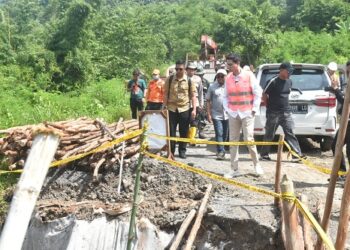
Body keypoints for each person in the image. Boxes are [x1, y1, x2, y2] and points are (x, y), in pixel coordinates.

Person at [223, 53, 263, 177]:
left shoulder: (248, 75)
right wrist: (228, 110)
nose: (228, 67)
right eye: (227, 64)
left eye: (230, 64)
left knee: (248, 139)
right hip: (233, 113)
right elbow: (225, 96)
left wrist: (254, 109)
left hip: (247, 112)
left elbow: (258, 92)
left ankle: (257, 165)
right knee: (233, 141)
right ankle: (234, 169)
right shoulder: (228, 77)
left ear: (237, 63)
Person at [260, 62, 306, 161]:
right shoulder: (273, 81)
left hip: (286, 112)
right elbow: (264, 95)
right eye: (288, 71)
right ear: (281, 70)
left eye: (291, 71)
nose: (290, 73)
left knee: (290, 133)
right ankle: (264, 155)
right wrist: (269, 107)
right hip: (273, 113)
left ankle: (297, 155)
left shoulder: (289, 81)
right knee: (269, 134)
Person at [163, 60, 197, 159]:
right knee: (171, 132)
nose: (178, 71)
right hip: (171, 109)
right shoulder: (169, 79)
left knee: (184, 131)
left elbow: (193, 96)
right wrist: (163, 106)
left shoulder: (189, 81)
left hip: (184, 109)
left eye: (180, 69)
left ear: (184, 70)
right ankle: (171, 152)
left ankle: (182, 151)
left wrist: (194, 109)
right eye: (176, 69)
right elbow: (165, 94)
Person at [325, 85, 349, 180]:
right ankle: (342, 173)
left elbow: (346, 100)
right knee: (336, 146)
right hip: (346, 122)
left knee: (349, 151)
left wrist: (337, 91)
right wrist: (334, 90)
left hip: (348, 122)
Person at [206, 69, 229, 160]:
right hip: (216, 115)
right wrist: (208, 114)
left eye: (222, 76)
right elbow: (208, 100)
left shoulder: (230, 86)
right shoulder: (212, 87)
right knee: (219, 133)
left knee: (225, 134)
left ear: (225, 77)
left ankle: (222, 147)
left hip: (228, 114)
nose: (220, 78)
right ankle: (221, 151)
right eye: (218, 76)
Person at [195, 65, 209, 139]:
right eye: (198, 74)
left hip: (203, 103)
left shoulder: (206, 82)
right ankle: (192, 135)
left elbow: (209, 93)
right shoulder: (191, 81)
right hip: (194, 103)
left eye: (201, 74)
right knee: (193, 120)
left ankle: (201, 132)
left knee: (202, 118)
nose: (200, 76)